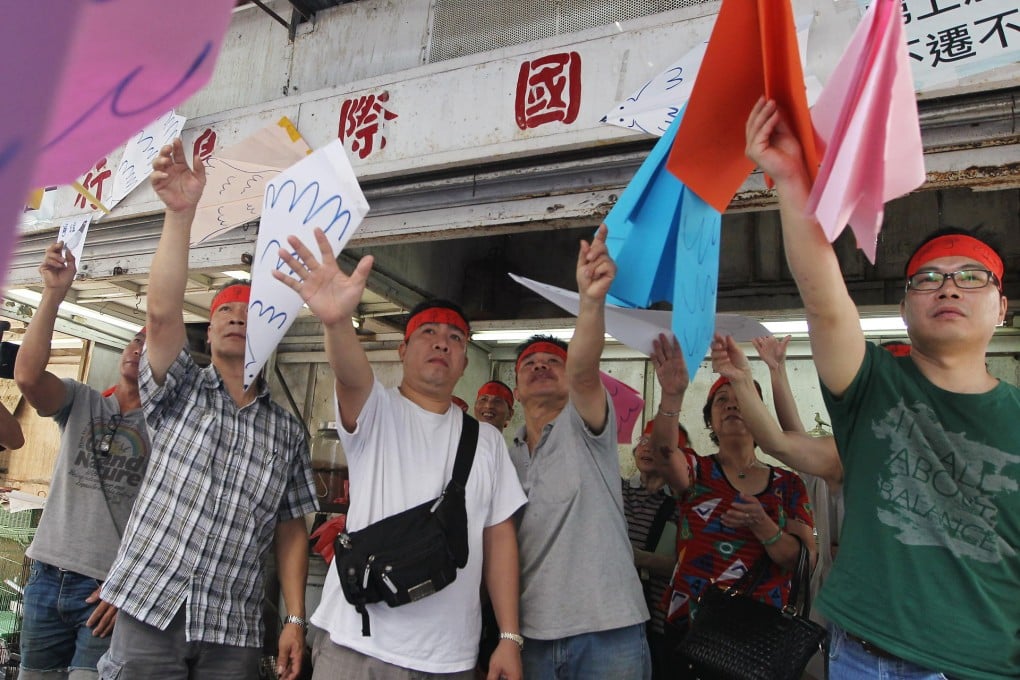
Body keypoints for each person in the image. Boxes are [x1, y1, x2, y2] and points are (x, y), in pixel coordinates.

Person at [746, 96, 1020, 678]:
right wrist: (794, 184)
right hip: (859, 658)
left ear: (1003, 309)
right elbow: (823, 302)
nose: (949, 287)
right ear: (902, 308)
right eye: (928, 278)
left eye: (972, 277)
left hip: (978, 667)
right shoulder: (875, 386)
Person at [97, 139, 318, 680]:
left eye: (248, 311)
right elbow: (162, 311)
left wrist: (294, 617)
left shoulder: (287, 431)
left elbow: (292, 528)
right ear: (210, 328)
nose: (235, 319)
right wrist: (180, 216)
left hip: (233, 628)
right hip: (151, 607)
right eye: (223, 313)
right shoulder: (179, 390)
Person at [271, 230, 526, 680]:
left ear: (465, 362)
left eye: (456, 338)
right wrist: (335, 323)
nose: (442, 342)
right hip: (355, 646)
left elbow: (499, 538)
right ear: (403, 349)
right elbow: (351, 375)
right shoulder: (378, 411)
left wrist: (508, 636)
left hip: (447, 660)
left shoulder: (487, 442)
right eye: (427, 332)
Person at [509, 225, 651, 680]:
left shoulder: (587, 424)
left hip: (610, 630)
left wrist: (591, 301)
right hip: (530, 635)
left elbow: (586, 369)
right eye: (528, 365)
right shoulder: (501, 454)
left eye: (553, 362)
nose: (540, 367)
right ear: (515, 389)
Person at [13, 244, 150, 680]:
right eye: (135, 337)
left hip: (104, 588)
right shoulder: (83, 400)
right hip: (45, 575)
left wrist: (128, 585)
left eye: (151, 341)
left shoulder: (168, 428)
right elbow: (28, 378)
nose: (137, 346)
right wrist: (53, 293)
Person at [657, 331, 816, 644]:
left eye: (740, 399)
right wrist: (671, 396)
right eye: (721, 401)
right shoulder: (696, 470)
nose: (731, 406)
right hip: (691, 630)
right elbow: (665, 452)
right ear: (711, 421)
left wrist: (764, 526)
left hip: (759, 637)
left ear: (759, 417)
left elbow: (803, 561)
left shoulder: (789, 485)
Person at [623, 335, 692, 680]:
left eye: (658, 442)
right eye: (643, 440)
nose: (648, 447)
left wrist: (638, 558)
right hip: (619, 617)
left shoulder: (684, 502)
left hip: (664, 621)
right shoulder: (618, 490)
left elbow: (689, 564)